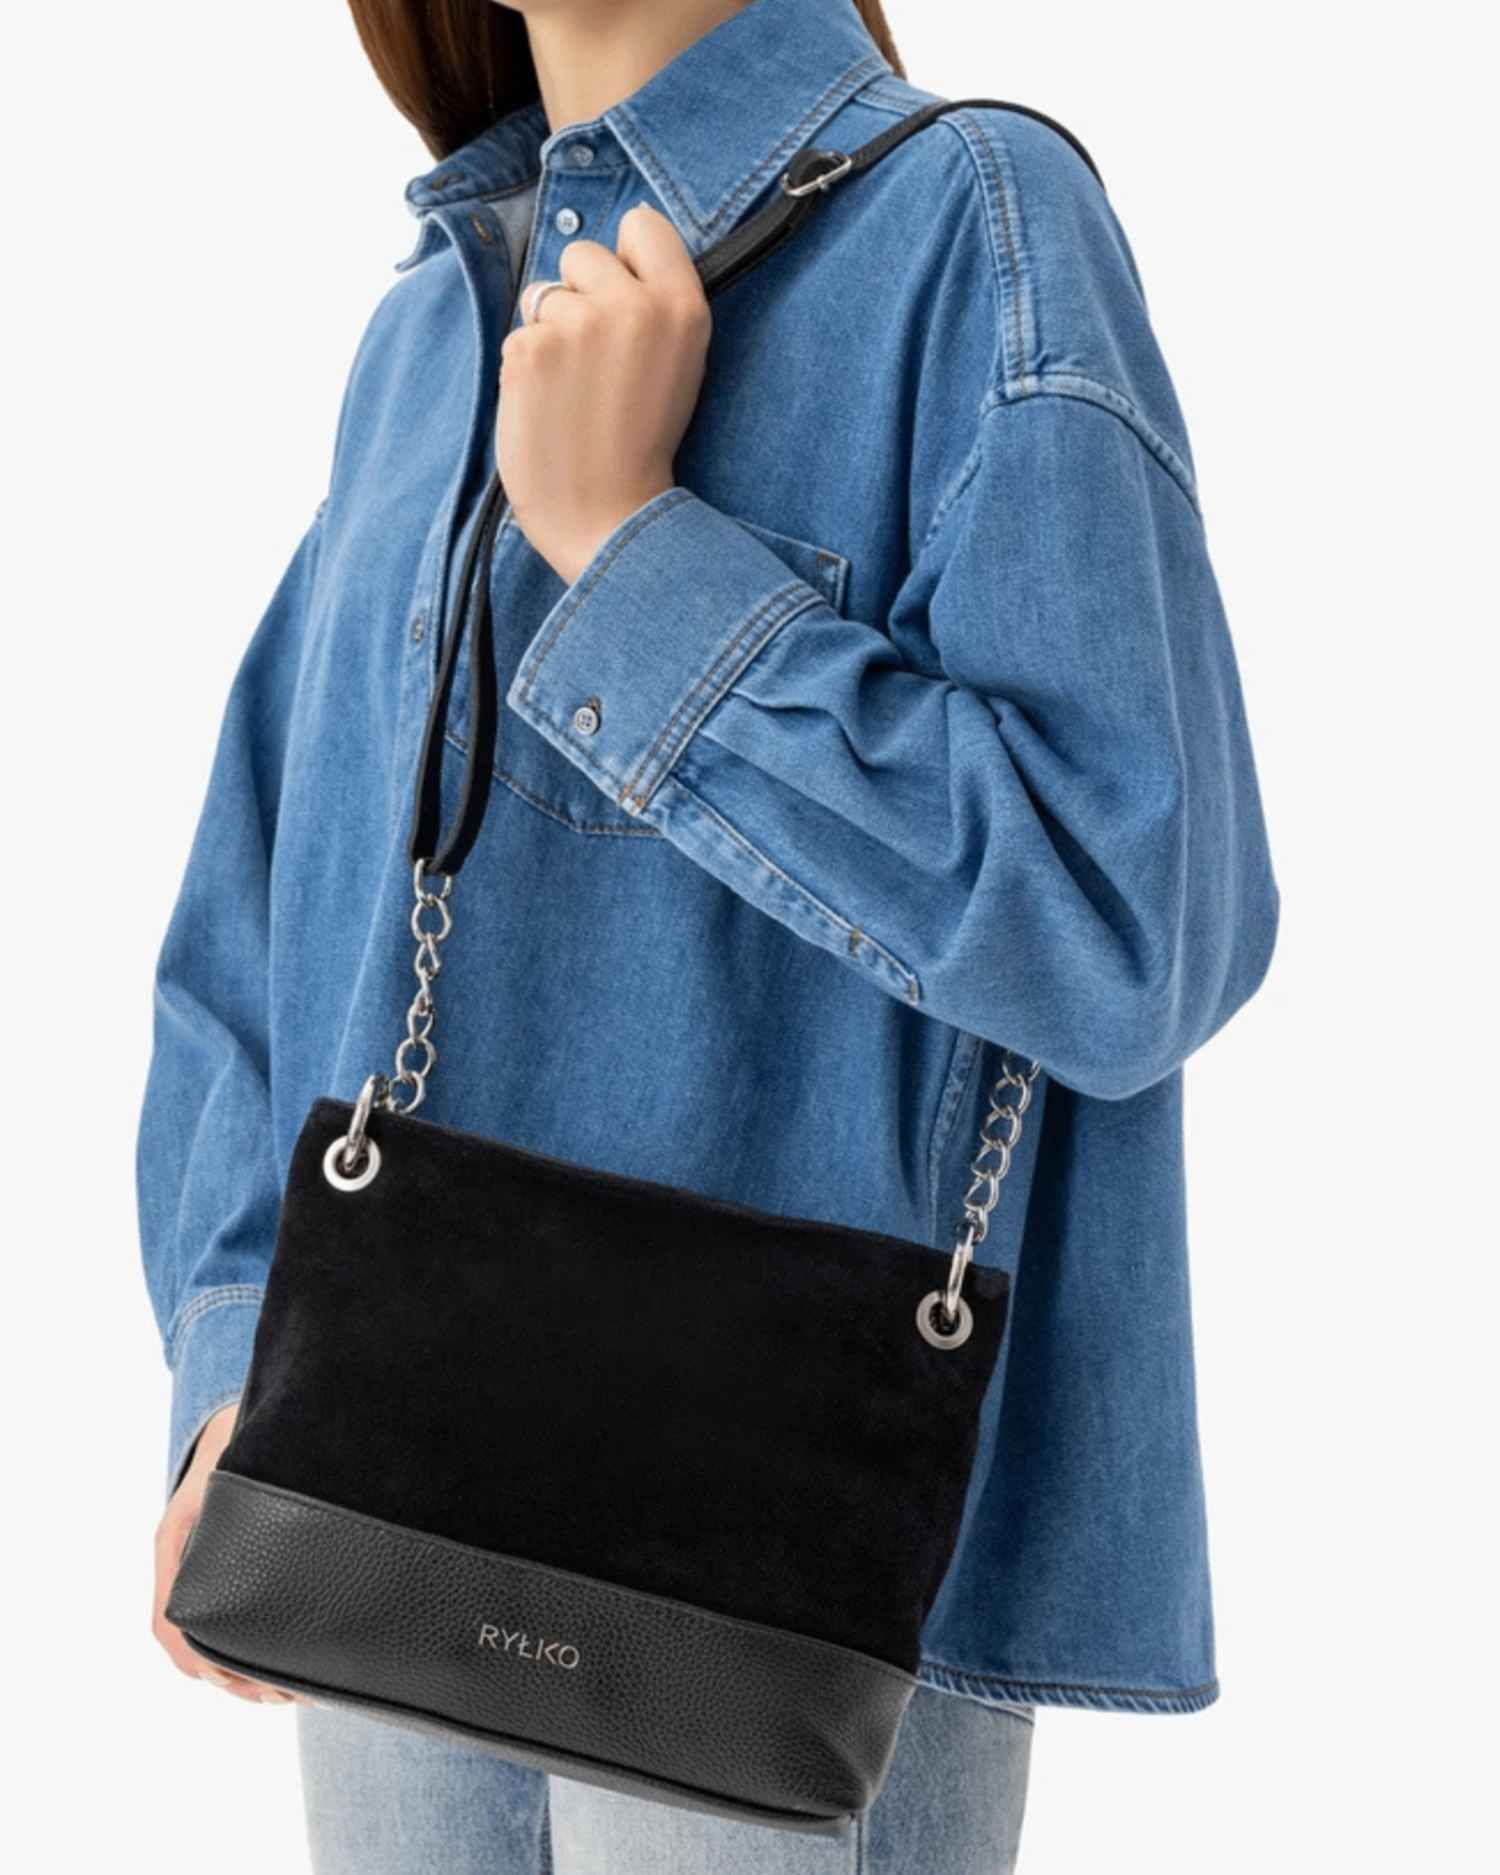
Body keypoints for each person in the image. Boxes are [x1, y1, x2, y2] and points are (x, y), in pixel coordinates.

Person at [139, 0, 1279, 1868]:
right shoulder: (433, 323)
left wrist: (628, 548)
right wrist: (226, 1367)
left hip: (775, 1573)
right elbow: (257, 912)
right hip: (375, 1504)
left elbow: (1131, 921)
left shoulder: (972, 229)